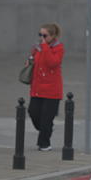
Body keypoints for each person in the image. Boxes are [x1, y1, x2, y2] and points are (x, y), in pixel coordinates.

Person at [28, 23, 64, 151]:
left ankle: (44, 143)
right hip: (37, 88)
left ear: (53, 36)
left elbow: (52, 63)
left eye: (45, 35)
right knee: (33, 112)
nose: (41, 38)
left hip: (52, 90)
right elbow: (33, 62)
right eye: (40, 34)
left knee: (46, 118)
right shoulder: (37, 48)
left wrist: (44, 47)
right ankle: (46, 129)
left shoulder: (58, 48)